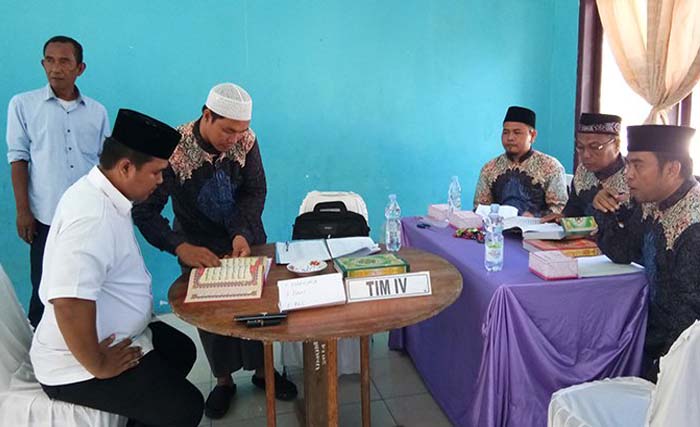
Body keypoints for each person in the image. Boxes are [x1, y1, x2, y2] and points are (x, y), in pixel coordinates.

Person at [29, 109, 204, 426]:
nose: (161, 181)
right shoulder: (91, 217)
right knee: (186, 407)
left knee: (181, 350)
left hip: (111, 336)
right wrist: (98, 364)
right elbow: (68, 302)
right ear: (125, 167)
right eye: (156, 173)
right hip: (74, 364)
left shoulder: (104, 194)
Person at [132, 82, 297, 419]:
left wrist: (240, 232)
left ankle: (265, 372)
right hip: (197, 245)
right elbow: (145, 212)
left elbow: (255, 190)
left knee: (259, 309)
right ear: (206, 115)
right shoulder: (174, 150)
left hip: (247, 237)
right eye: (227, 130)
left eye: (242, 131)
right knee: (212, 316)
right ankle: (223, 382)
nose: (234, 139)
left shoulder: (246, 141)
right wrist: (180, 247)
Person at [6, 35, 110, 327]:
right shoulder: (23, 105)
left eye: (64, 61)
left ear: (80, 68)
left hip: (88, 216)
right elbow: (18, 158)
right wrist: (23, 210)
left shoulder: (97, 112)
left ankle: (87, 346)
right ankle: (41, 353)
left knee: (89, 283)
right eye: (49, 60)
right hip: (45, 215)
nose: (56, 68)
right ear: (42, 63)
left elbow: (105, 165)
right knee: (44, 286)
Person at [592, 124, 699, 382]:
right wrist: (603, 210)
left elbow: (688, 322)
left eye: (638, 165)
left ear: (673, 169)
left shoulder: (694, 226)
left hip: (684, 362)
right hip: (655, 342)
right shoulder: (653, 202)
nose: (628, 175)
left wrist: (652, 381)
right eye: (628, 164)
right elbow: (622, 250)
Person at [473, 106, 568, 216]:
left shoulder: (551, 167)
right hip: (498, 229)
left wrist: (535, 215)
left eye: (517, 132)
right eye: (506, 132)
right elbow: (479, 208)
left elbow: (560, 210)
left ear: (532, 135)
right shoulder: (489, 168)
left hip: (537, 230)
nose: (510, 138)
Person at [542, 113, 631, 222]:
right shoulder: (583, 171)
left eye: (595, 147)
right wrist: (563, 218)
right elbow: (573, 211)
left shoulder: (632, 176)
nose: (586, 155)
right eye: (580, 147)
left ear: (617, 145)